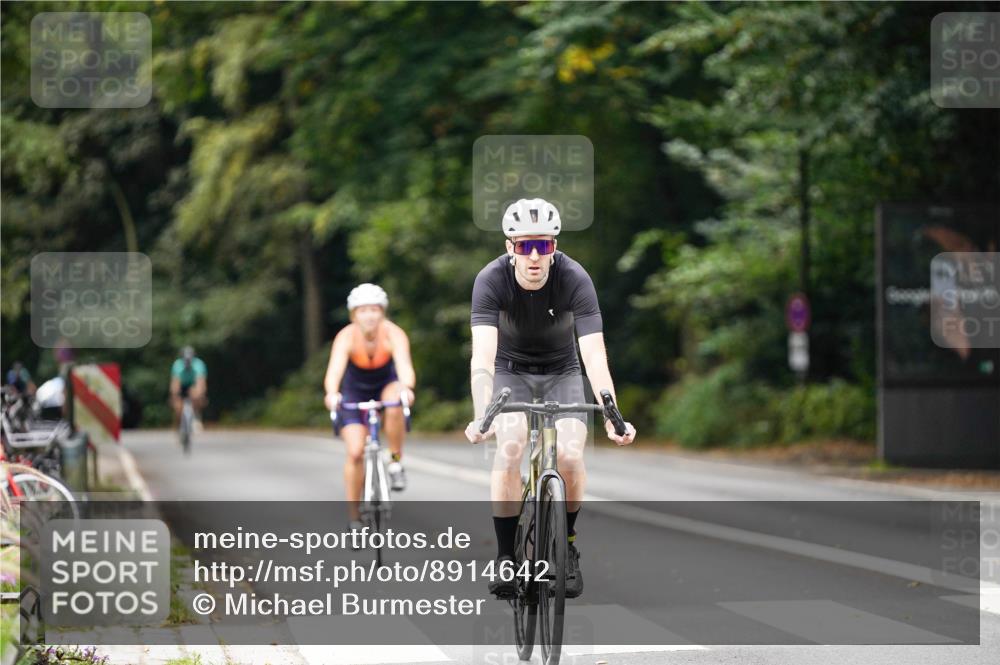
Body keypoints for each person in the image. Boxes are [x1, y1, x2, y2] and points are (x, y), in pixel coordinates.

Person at [465, 198, 636, 600]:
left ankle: (568, 544)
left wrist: (612, 411)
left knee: (572, 455)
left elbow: (594, 354)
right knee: (509, 447)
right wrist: (480, 415)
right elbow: (483, 357)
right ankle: (506, 556)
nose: (536, 255)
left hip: (563, 371)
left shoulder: (575, 278)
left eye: (544, 245)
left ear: (555, 247)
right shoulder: (490, 280)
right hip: (511, 372)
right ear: (510, 248)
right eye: (525, 246)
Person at [324, 283, 416, 531]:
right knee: (355, 452)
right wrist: (332, 393)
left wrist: (407, 387)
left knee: (396, 400)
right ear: (354, 314)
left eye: (375, 310)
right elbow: (334, 372)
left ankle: (395, 461)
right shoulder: (346, 337)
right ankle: (355, 517)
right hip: (355, 392)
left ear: (382, 312)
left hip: (386, 385)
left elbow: (405, 366)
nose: (370, 316)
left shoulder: (394, 334)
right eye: (363, 310)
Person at [169, 346, 207, 428]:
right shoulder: (177, 364)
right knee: (177, 406)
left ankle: (196, 415)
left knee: (197, 395)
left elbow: (201, 381)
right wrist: (174, 395)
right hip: (182, 384)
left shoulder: (199, 364)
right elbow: (175, 382)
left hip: (193, 384)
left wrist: (199, 394)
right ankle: (179, 425)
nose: (187, 362)